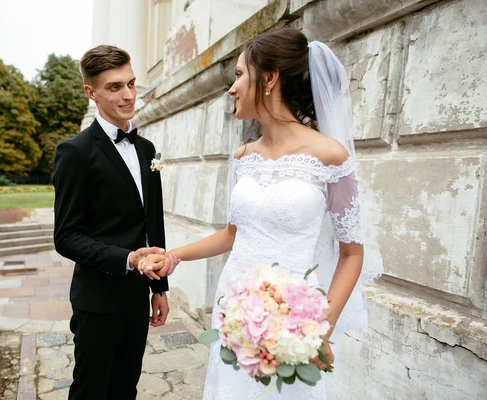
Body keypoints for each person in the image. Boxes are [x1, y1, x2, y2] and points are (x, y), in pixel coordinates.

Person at [140, 27, 383, 399]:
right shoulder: (244, 158)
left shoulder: (331, 157)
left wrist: (317, 330)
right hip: (235, 312)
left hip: (292, 322)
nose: (231, 88)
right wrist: (175, 256)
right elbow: (233, 234)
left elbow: (352, 254)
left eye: (239, 75)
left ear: (269, 79)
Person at [53, 45, 179, 400]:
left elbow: (154, 224)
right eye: (114, 87)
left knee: (126, 389)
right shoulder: (75, 152)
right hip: (97, 301)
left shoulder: (147, 149)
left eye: (131, 84)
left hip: (136, 298)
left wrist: (160, 288)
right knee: (91, 392)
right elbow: (66, 236)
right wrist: (129, 259)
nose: (127, 95)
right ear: (90, 92)